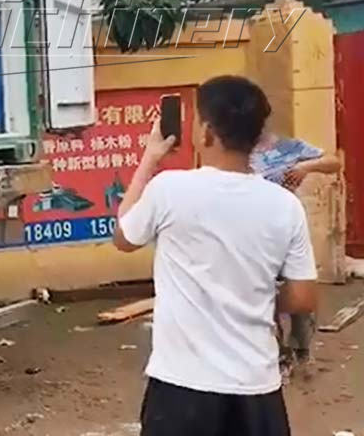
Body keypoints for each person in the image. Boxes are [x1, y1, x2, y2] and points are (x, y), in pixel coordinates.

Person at [113, 75, 317, 436]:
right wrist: (256, 295)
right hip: (257, 389)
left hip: (181, 389)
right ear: (257, 136)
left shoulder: (170, 189)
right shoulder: (285, 206)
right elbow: (303, 298)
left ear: (206, 132)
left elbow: (124, 238)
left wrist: (150, 158)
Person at [250, 131, 340, 376]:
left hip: (288, 230)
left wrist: (304, 167)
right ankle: (279, 354)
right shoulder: (236, 151)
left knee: (299, 292)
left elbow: (333, 162)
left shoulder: (288, 147)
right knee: (264, 292)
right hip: (253, 233)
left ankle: (301, 348)